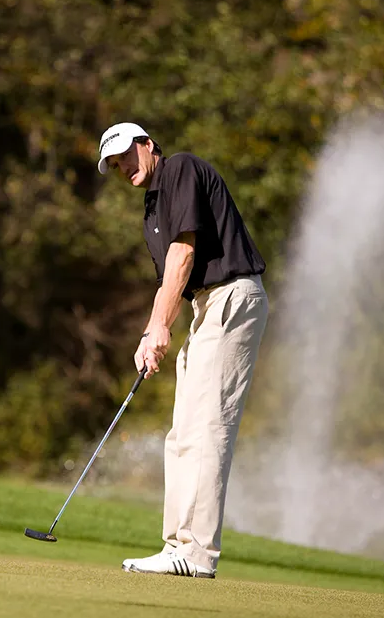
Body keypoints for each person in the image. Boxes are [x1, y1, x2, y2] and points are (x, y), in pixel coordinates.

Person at [97, 121, 270, 579]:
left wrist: (158, 326)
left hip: (231, 296)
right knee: (182, 433)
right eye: (114, 164)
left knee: (208, 429)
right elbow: (169, 282)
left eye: (125, 155)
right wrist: (151, 335)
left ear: (147, 144)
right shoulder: (152, 209)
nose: (123, 167)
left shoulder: (180, 169)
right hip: (204, 307)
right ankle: (176, 546)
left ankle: (197, 553)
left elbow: (185, 254)